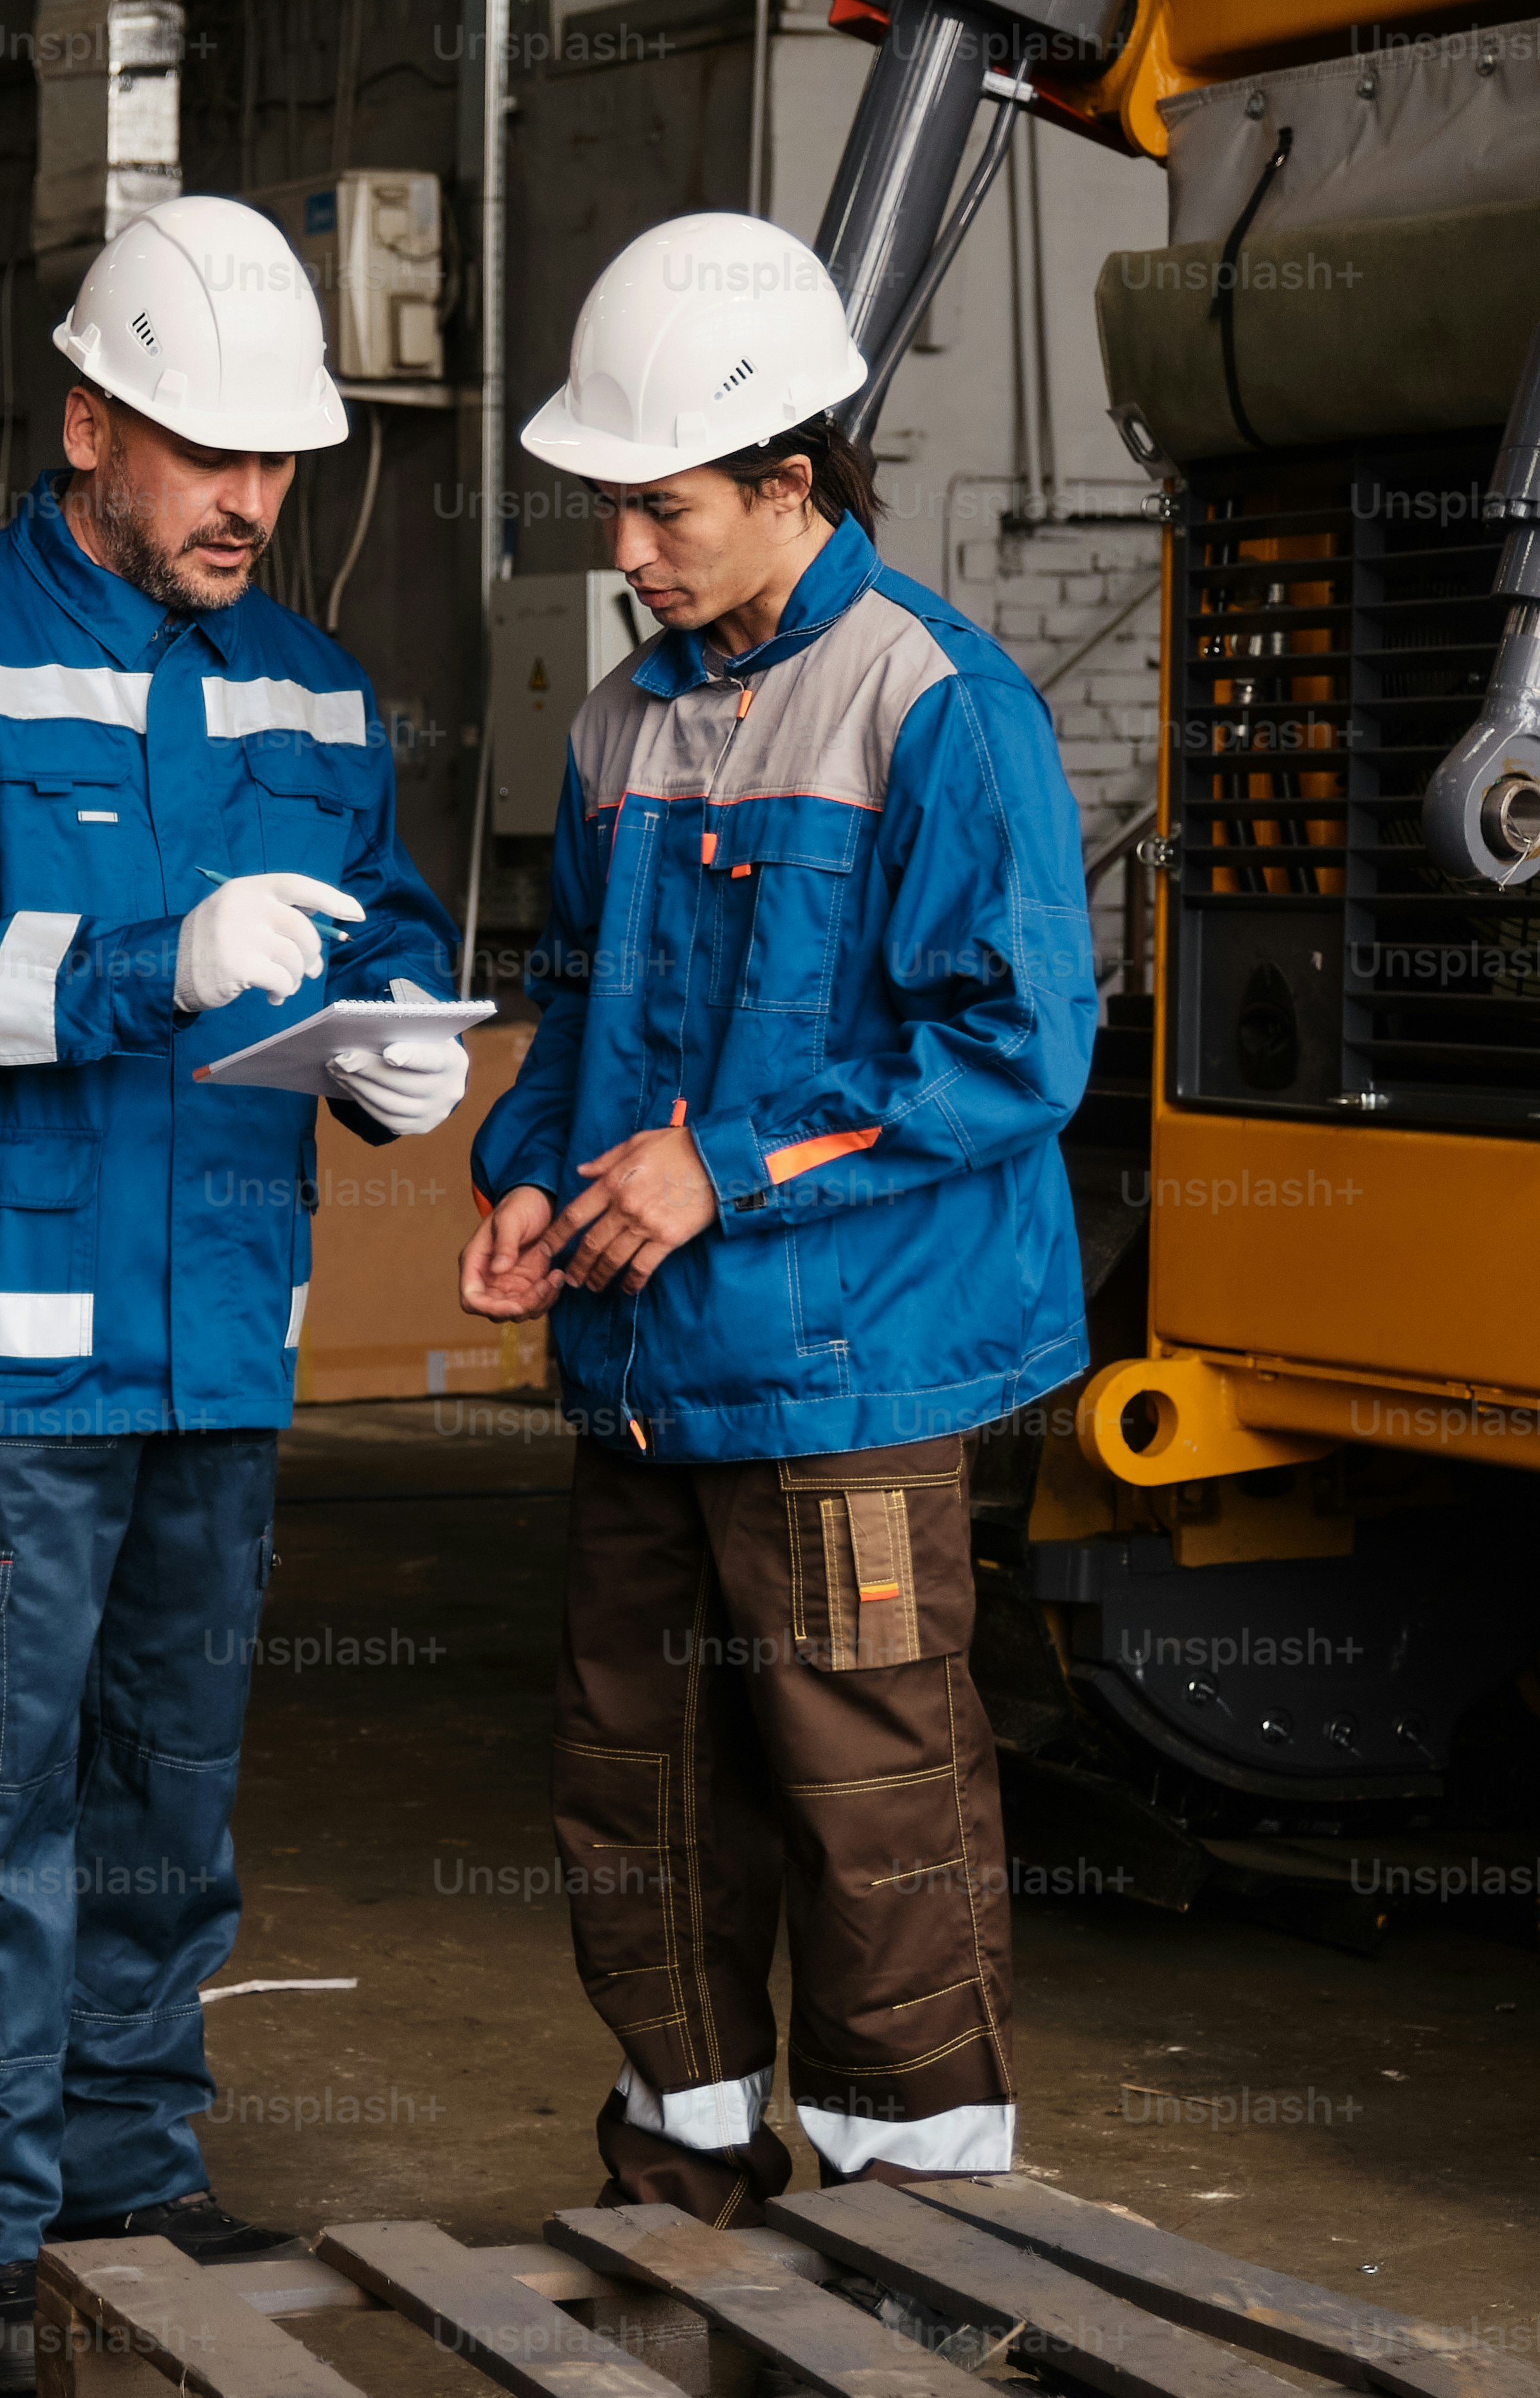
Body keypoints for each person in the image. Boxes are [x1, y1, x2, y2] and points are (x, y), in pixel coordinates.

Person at [0, 194, 467, 2397]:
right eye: (208, 455)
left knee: (168, 1795)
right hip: (3, 1356)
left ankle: (125, 2164)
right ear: (89, 423)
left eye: (280, 462)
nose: (252, 503)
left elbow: (371, 921)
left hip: (214, 1340)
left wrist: (390, 1044)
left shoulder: (316, 683)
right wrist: (139, 969)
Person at [459, 210, 1099, 2224]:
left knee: (867, 1807)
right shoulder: (619, 722)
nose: (625, 556)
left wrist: (718, 1169)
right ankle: (689, 2178)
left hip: (842, 1382)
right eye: (610, 512)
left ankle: (924, 2230)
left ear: (789, 484)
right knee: (634, 1795)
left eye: (658, 511)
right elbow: (577, 1013)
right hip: (647, 1373)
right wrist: (525, 1182)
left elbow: (1015, 1049)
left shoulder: (936, 708)